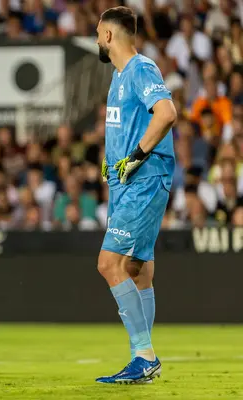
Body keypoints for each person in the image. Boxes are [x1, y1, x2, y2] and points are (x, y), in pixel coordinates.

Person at [96, 7, 177, 384]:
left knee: (109, 264)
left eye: (98, 33)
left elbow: (166, 112)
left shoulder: (141, 68)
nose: (97, 40)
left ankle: (144, 356)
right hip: (127, 181)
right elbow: (125, 126)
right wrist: (111, 161)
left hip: (144, 177)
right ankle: (142, 357)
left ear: (109, 36)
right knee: (137, 269)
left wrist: (137, 155)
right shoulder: (118, 77)